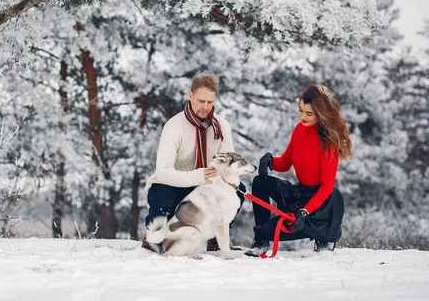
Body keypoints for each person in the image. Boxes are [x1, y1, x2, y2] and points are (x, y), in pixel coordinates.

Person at [143, 73, 246, 251]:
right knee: (161, 193)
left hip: (206, 186)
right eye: (201, 101)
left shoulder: (221, 126)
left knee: (238, 190)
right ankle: (154, 238)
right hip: (174, 184)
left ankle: (216, 236)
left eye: (210, 102)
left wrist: (221, 181)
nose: (206, 107)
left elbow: (228, 166)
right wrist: (197, 177)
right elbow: (163, 171)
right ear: (190, 96)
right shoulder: (174, 126)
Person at [249, 84, 352, 255]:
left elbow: (327, 187)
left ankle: (327, 235)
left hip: (320, 205)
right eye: (300, 110)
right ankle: (261, 240)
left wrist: (304, 212)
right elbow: (286, 162)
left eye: (309, 113)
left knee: (272, 229)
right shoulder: (299, 129)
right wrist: (269, 161)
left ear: (321, 114)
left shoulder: (328, 143)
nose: (302, 116)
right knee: (260, 183)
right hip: (299, 194)